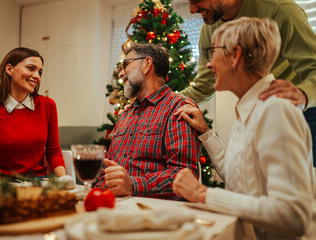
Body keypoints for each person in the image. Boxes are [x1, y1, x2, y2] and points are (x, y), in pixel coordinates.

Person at [173, 17, 316, 239]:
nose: (209, 64)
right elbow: (234, 174)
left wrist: (202, 194)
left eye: (213, 52)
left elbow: (292, 215)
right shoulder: (249, 112)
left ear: (235, 55)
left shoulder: (276, 110)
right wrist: (206, 132)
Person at [181, 0, 316, 166]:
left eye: (197, 0)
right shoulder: (210, 27)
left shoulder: (281, 10)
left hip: (306, 112)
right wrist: (161, 100)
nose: (192, 9)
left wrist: (301, 95)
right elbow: (202, 88)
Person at [95, 43, 200, 200]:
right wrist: (96, 193)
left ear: (147, 64)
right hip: (113, 205)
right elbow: (108, 170)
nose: (121, 74)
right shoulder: (126, 114)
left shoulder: (178, 108)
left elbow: (185, 174)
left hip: (153, 212)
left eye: (126, 65)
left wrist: (132, 185)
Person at [0, 47, 66, 177]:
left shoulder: (47, 105)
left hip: (39, 184)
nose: (37, 76)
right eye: (31, 68)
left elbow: (54, 152)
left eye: (40, 72)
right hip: (1, 186)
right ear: (9, 69)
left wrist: (64, 179)